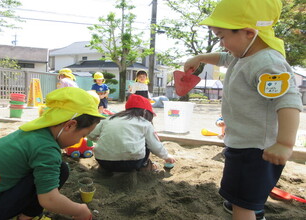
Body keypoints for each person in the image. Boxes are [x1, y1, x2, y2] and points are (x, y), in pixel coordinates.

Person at [183, 0, 303, 219]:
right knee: (244, 196)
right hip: (244, 143)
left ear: (249, 32)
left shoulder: (267, 62)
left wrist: (284, 143)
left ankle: (247, 209)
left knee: (243, 205)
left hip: (256, 149)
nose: (221, 43)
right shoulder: (245, 56)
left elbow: (288, 102)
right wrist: (201, 58)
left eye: (221, 36)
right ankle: (250, 207)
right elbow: (224, 58)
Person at [0, 87, 105, 220]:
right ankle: (26, 217)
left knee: (57, 169)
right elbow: (49, 199)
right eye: (83, 135)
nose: (80, 140)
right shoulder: (46, 148)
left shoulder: (33, 132)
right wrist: (79, 210)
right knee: (62, 170)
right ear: (70, 125)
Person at [88, 94, 175, 172]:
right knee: (147, 141)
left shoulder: (109, 119)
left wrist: (101, 140)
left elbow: (90, 134)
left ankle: (106, 169)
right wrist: (166, 157)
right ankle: (145, 166)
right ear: (145, 112)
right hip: (132, 163)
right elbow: (155, 146)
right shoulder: (145, 123)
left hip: (103, 161)